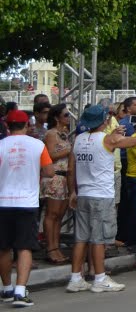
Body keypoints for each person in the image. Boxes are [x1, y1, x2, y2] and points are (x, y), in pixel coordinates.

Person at [66, 104, 136, 294]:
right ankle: (100, 278)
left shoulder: (78, 139)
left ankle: (75, 278)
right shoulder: (107, 139)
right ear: (104, 121)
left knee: (81, 239)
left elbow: (71, 169)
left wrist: (73, 191)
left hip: (84, 193)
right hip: (101, 195)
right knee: (99, 239)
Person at [0, 110, 55, 307]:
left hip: (3, 201)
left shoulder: (1, 145)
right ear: (26, 125)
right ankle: (20, 291)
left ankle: (6, 288)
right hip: (27, 202)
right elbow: (49, 171)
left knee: (4, 247)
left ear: (7, 125)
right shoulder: (37, 145)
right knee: (24, 246)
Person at [39, 105, 73, 264]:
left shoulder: (65, 134)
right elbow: (50, 155)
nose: (68, 118)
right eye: (66, 115)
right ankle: (50, 248)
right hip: (55, 178)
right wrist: (68, 151)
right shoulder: (51, 134)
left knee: (59, 216)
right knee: (51, 215)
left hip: (65, 178)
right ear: (56, 118)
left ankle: (56, 246)